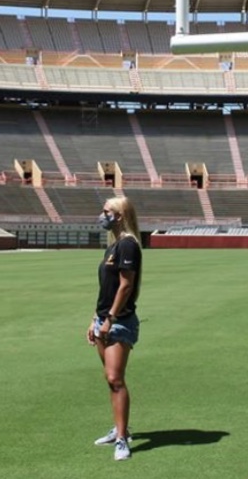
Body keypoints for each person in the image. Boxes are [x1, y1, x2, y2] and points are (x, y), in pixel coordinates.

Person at [86, 195, 143, 462]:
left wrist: (109, 318)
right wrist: (94, 319)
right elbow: (106, 288)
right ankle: (120, 428)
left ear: (119, 215)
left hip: (119, 321)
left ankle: (122, 439)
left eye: (106, 211)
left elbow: (125, 286)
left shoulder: (129, 246)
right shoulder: (113, 246)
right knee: (110, 380)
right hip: (104, 320)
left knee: (115, 379)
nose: (102, 215)